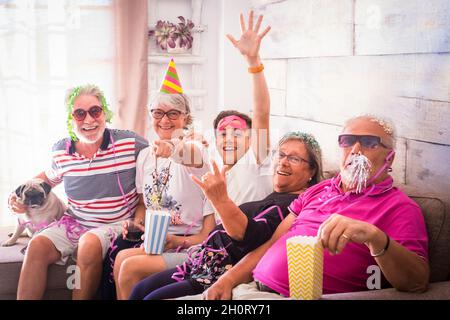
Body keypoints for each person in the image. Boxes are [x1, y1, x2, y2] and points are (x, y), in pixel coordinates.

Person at [204, 115, 429, 300]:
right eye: (348, 141)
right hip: (251, 289)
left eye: (370, 143)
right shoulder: (318, 190)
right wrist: (227, 281)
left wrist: (375, 237)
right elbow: (271, 244)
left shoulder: (400, 207)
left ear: (389, 158)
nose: (355, 150)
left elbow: (417, 282)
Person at [128, 131, 323, 299]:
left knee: (149, 295)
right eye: (281, 155)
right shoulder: (277, 195)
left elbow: (249, 237)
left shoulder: (292, 206)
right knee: (140, 289)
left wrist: (220, 200)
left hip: (215, 272)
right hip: (199, 262)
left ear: (311, 171)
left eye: (294, 158)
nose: (284, 162)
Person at [8, 84, 149, 300]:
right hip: (75, 222)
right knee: (36, 245)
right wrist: (15, 197)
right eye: (80, 113)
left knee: (88, 242)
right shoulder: (61, 151)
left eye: (95, 111)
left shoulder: (130, 143)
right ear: (70, 118)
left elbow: (157, 163)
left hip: (114, 224)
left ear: (105, 113)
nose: (89, 120)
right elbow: (43, 179)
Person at [104, 59, 216, 300]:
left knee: (129, 266)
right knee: (121, 259)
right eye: (158, 113)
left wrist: (173, 147)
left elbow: (192, 153)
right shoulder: (144, 155)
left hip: (189, 243)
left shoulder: (197, 147)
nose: (165, 120)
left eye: (173, 114)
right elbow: (146, 204)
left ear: (185, 118)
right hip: (156, 240)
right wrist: (137, 224)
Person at [212, 10, 273, 207]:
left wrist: (253, 62)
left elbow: (261, 112)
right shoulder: (215, 178)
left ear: (251, 139)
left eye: (237, 133)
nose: (229, 139)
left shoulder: (256, 162)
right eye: (223, 134)